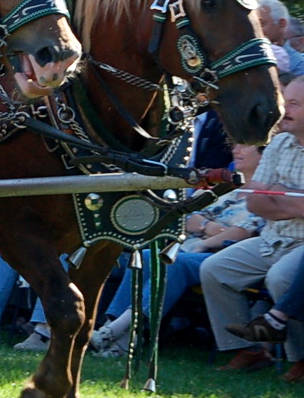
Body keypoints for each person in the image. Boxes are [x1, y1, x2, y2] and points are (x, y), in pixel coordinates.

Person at [88, 144, 265, 357]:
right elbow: (188, 216)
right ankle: (119, 341)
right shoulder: (226, 187)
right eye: (236, 145)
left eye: (245, 146)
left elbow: (241, 233)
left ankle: (110, 332)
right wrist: (210, 228)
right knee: (144, 256)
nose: (236, 150)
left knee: (171, 263)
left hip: (223, 257)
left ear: (264, 153)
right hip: (189, 249)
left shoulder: (265, 194)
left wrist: (204, 241)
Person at [202, 78, 304, 380]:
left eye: (294, 104)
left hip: (301, 244)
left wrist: (276, 194)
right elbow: (254, 201)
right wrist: (292, 200)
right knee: (214, 270)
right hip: (271, 238)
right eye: (285, 101)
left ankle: (301, 359)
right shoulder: (279, 143)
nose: (284, 110)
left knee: (281, 278)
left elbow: (266, 197)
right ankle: (248, 350)